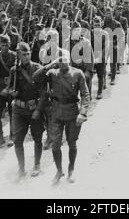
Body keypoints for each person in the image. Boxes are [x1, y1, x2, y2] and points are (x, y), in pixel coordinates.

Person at [33, 49, 90, 184]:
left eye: (65, 59)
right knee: (55, 145)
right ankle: (59, 171)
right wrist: (49, 65)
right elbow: (35, 77)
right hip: (56, 113)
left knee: (72, 143)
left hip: (72, 112)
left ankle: (71, 170)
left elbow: (85, 94)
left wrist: (83, 112)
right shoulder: (52, 73)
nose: (63, 62)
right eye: (60, 59)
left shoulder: (77, 73)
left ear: (69, 59)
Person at [8, 42, 46, 181]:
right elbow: (10, 88)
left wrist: (39, 110)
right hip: (18, 110)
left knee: (37, 138)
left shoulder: (38, 69)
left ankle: (37, 165)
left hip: (34, 109)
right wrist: (12, 92)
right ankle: (21, 168)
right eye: (23, 54)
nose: (27, 56)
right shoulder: (14, 70)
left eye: (28, 53)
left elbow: (44, 93)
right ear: (18, 55)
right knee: (17, 140)